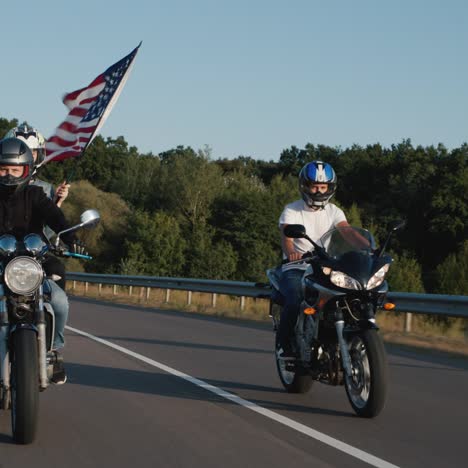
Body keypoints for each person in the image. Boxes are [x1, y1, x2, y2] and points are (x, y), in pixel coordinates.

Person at [0, 137, 76, 384]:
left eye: (15, 169)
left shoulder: (35, 195)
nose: (9, 175)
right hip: (1, 262)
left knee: (60, 301)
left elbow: (54, 216)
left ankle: (52, 351)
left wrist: (70, 236)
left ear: (27, 169)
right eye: (3, 169)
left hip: (31, 263)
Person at [277, 160, 350, 360]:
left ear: (330, 188)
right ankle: (285, 345)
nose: (319, 191)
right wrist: (292, 252)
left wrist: (368, 246)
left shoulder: (334, 211)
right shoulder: (292, 210)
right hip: (296, 266)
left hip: (325, 266)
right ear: (305, 186)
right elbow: (287, 237)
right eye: (315, 186)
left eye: (323, 186)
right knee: (294, 298)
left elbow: (346, 231)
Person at [6, 125, 70, 290]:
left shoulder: (42, 189)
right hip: (5, 249)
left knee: (57, 271)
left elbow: (49, 226)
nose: (25, 155)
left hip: (34, 251)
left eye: (32, 151)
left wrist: (57, 203)